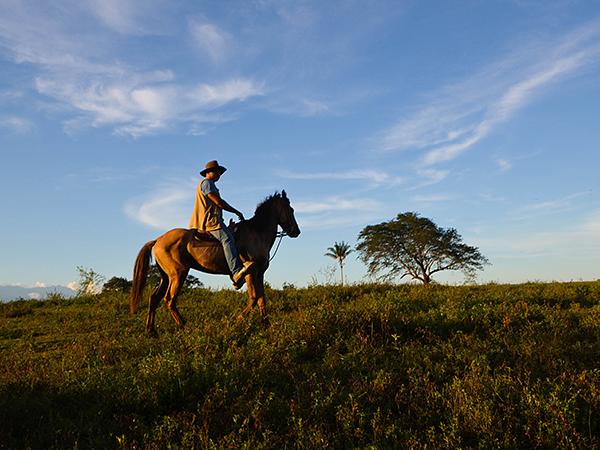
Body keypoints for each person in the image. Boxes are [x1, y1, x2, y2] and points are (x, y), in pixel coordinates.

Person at [189, 160, 253, 289]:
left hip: (215, 221)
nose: (219, 174)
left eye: (220, 172)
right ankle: (235, 272)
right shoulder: (207, 183)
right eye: (217, 172)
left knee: (231, 234)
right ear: (209, 172)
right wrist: (236, 211)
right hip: (209, 222)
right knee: (227, 239)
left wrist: (227, 227)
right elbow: (218, 202)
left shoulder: (209, 184)